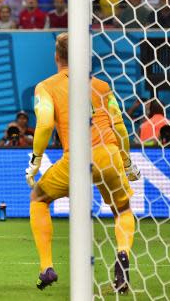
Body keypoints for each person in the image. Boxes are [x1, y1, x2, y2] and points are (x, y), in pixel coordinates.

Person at [25, 32, 140, 292]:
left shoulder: (46, 86)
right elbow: (119, 126)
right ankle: (122, 255)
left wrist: (36, 159)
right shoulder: (101, 86)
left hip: (77, 159)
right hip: (109, 153)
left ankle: (46, 267)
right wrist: (127, 161)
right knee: (122, 209)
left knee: (39, 199)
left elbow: (44, 124)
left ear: (56, 56)